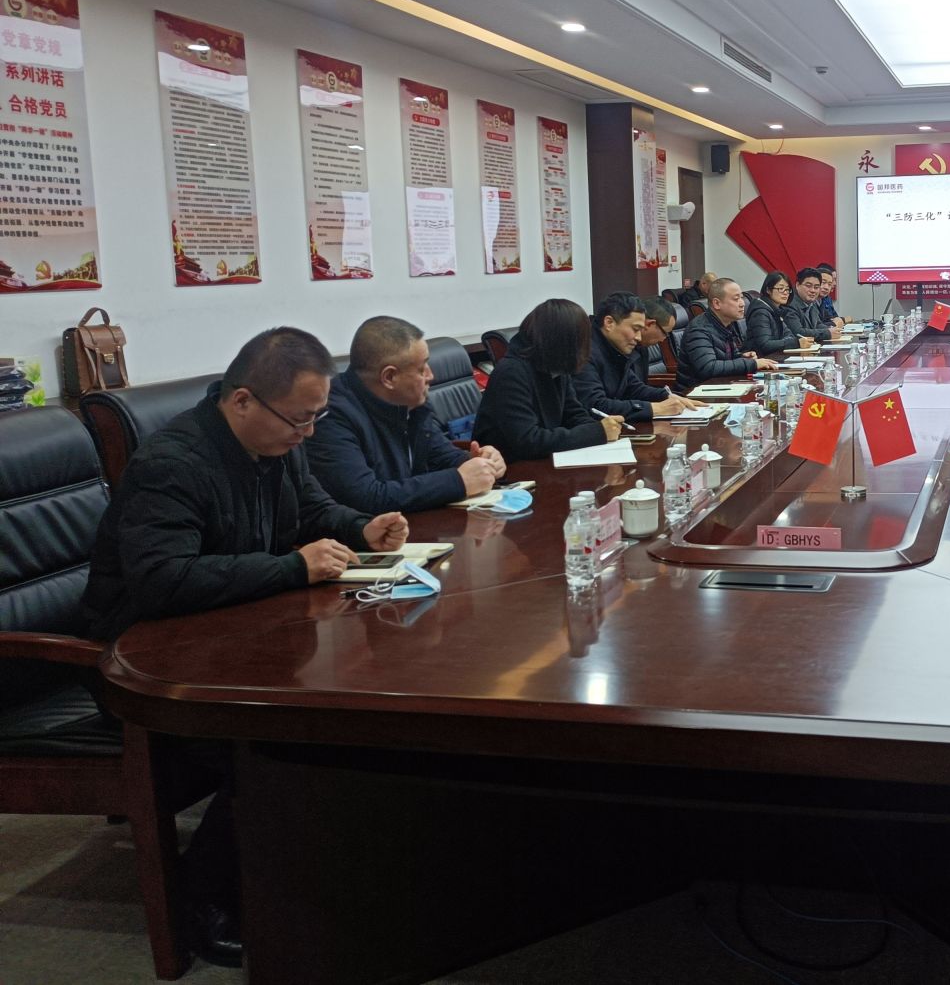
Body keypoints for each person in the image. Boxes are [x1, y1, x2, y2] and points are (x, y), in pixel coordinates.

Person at [82, 326, 409, 966]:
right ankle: (205, 897)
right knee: (284, 732)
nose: (307, 433)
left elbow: (310, 508)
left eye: (316, 417)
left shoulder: (275, 442)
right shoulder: (173, 464)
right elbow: (162, 580)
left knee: (353, 696)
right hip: (138, 662)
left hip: (227, 632)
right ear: (241, 401)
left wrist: (360, 527)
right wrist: (292, 567)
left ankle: (307, 857)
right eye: (300, 419)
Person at [307, 316, 506, 512]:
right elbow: (365, 497)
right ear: (389, 377)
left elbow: (439, 455)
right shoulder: (329, 416)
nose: (431, 375)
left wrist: (477, 463)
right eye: (421, 368)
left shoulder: (410, 403)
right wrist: (459, 481)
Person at [475, 299, 624, 458]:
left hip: (544, 460)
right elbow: (528, 440)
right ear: (564, 341)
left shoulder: (555, 366)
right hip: (509, 466)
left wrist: (599, 429)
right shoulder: (511, 373)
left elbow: (574, 414)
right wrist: (596, 432)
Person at [572, 291, 694, 424]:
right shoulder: (583, 352)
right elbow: (595, 406)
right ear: (609, 323)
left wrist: (668, 396)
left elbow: (633, 387)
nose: (639, 337)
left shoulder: (614, 347)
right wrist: (654, 409)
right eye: (635, 329)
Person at [674, 277, 779, 391]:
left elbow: (727, 357)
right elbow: (708, 368)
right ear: (717, 303)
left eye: (742, 297)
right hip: (697, 392)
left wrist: (743, 357)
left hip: (721, 386)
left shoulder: (725, 323)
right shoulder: (699, 330)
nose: (742, 304)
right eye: (736, 299)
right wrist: (752, 364)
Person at [745, 271, 814, 355]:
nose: (785, 293)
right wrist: (797, 343)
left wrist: (791, 342)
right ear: (768, 290)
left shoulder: (777, 310)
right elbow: (765, 345)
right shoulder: (760, 313)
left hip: (775, 356)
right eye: (781, 289)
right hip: (760, 359)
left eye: (787, 289)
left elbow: (789, 334)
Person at [786, 267, 841, 341]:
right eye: (808, 286)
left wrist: (833, 330)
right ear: (797, 285)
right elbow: (799, 332)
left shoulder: (812, 302)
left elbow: (817, 324)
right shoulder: (790, 304)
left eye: (816, 287)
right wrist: (827, 333)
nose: (813, 290)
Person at [635, 294, 679, 383]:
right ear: (649, 324)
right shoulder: (625, 347)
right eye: (664, 333)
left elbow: (639, 385)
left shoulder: (642, 348)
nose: (663, 340)